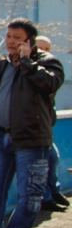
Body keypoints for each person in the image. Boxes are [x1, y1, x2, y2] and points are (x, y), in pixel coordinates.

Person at [0, 20, 65, 228]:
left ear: (29, 41)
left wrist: (27, 62)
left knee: (30, 197)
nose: (10, 41)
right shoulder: (0, 64)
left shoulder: (47, 63)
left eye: (17, 37)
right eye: (8, 36)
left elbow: (50, 84)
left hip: (31, 141)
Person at [33, 35, 69, 212]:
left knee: (53, 157)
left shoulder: (51, 72)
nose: (43, 52)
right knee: (44, 161)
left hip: (45, 128)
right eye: (40, 48)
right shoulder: (29, 69)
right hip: (30, 130)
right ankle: (47, 196)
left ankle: (53, 190)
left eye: (46, 49)